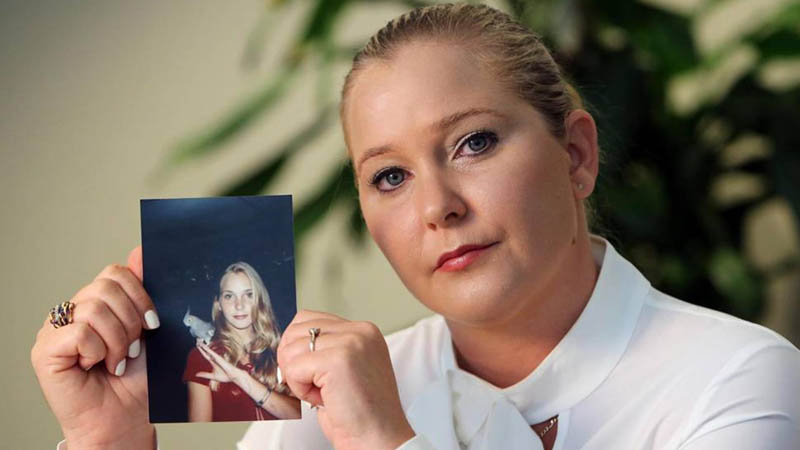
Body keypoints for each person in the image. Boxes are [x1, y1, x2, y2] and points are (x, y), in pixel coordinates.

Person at [31, 3, 800, 450]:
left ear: (576, 155)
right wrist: (108, 442)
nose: (438, 207)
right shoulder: (298, 421)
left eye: (475, 143)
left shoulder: (738, 378)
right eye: (389, 177)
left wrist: (382, 443)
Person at [183, 261, 300, 422]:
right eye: (229, 296)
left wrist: (242, 379)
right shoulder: (203, 357)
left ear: (259, 300)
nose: (239, 305)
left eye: (249, 294)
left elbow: (303, 417)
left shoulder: (282, 349)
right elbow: (198, 436)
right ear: (218, 305)